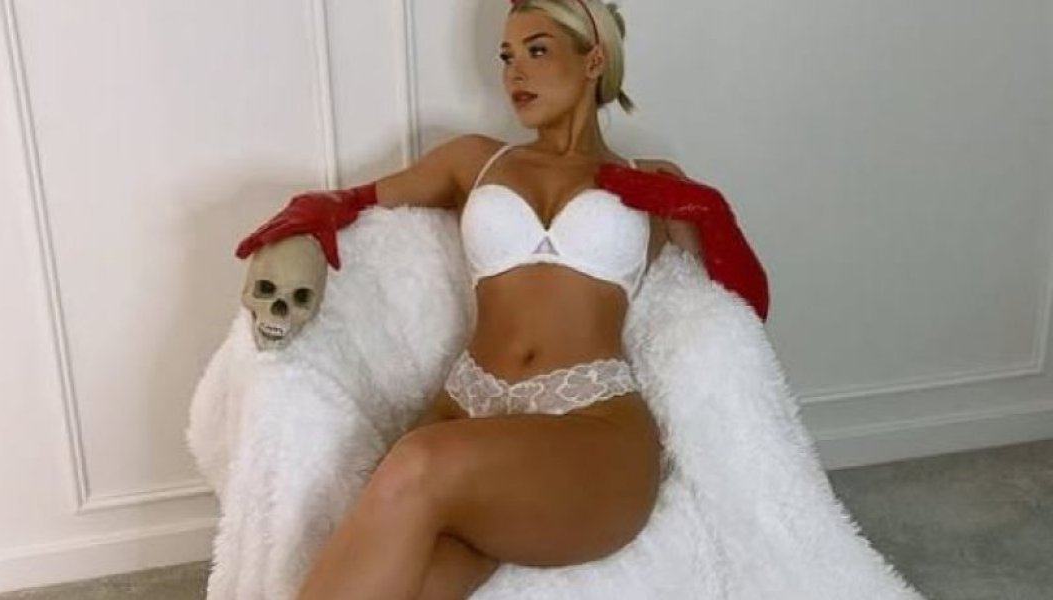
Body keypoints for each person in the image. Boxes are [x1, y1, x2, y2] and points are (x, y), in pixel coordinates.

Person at [234, 1, 770, 598]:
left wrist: (705, 211)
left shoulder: (650, 178)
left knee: (417, 464)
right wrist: (298, 229)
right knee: (415, 579)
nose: (516, 72)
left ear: (593, 60)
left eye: (537, 50)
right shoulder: (475, 160)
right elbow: (351, 202)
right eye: (507, 56)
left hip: (591, 428)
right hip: (465, 408)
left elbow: (743, 310)